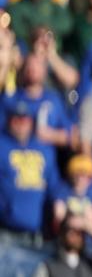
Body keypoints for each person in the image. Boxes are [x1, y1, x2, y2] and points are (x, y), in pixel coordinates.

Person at [0, 101, 59, 246]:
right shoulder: (2, 145)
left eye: (25, 119)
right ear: (8, 120)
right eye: (16, 119)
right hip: (6, 232)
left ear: (32, 121)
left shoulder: (45, 150)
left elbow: (54, 188)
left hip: (36, 234)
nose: (21, 123)